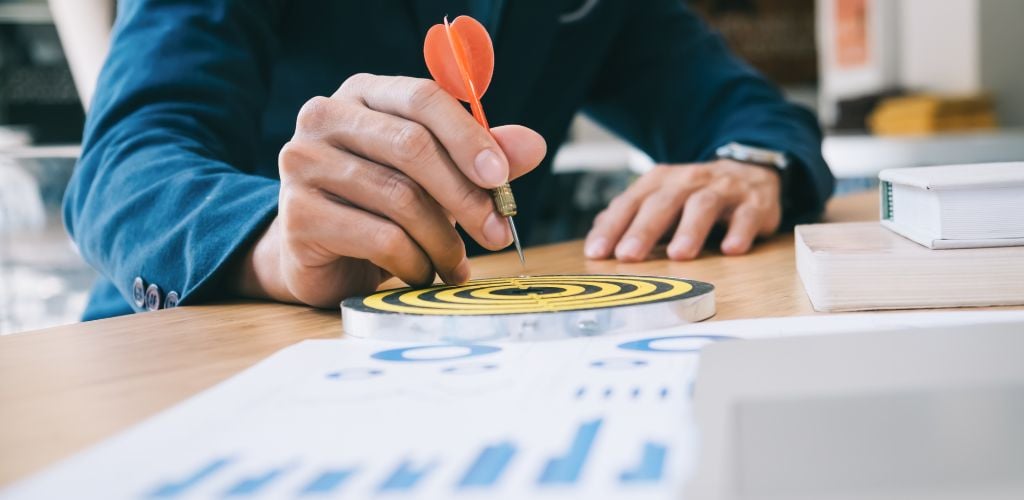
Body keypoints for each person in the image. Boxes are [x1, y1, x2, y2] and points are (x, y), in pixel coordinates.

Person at [64, 0, 834, 319]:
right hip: (194, 353)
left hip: (457, 350)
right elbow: (123, 166)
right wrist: (275, 244)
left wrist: (750, 164)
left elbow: (743, 109)